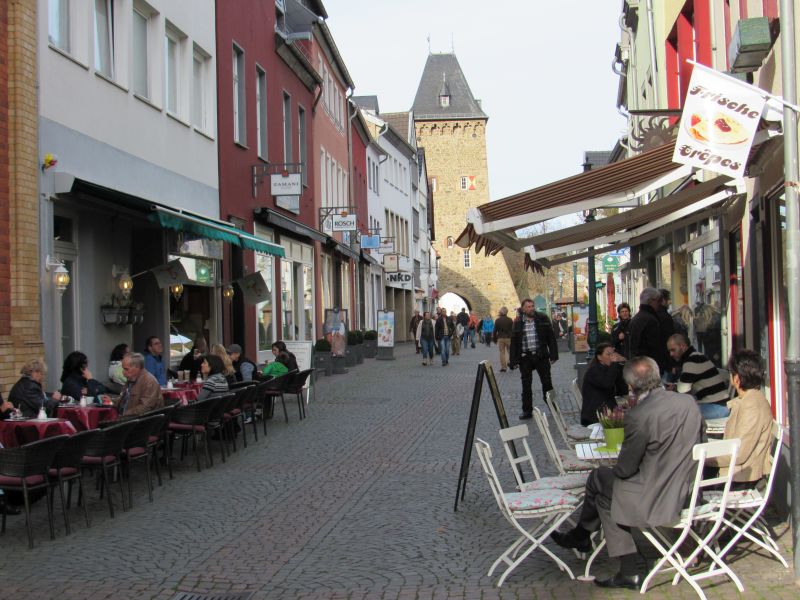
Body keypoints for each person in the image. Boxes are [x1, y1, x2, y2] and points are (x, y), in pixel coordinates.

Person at [550, 357, 705, 589]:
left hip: (656, 496)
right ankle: (601, 550)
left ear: (631, 386)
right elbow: (702, 441)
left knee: (599, 481)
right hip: (689, 490)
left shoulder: (640, 415)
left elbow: (625, 469)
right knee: (603, 493)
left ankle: (595, 543)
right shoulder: (688, 403)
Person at [707, 349, 773, 485]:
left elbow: (738, 453)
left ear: (736, 379)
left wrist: (703, 458)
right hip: (737, 472)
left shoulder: (751, 406)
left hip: (740, 477)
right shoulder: (750, 399)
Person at [509, 298, 558, 420]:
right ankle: (527, 410)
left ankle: (553, 407)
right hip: (525, 357)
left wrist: (553, 355)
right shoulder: (518, 322)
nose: (531, 308)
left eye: (532, 306)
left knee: (547, 383)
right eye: (528, 307)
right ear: (523, 309)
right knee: (526, 385)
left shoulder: (542, 318)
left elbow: (551, 337)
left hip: (541, 356)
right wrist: (513, 360)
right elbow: (514, 342)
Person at [666, 333, 730, 419]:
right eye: (670, 351)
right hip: (720, 405)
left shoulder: (691, 360)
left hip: (715, 407)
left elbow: (682, 391)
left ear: (682, 346)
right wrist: (676, 387)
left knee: (674, 415)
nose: (671, 354)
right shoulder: (697, 356)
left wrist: (673, 389)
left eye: (673, 350)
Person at [580, 342, 628, 426]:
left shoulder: (610, 369)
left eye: (613, 354)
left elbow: (623, 390)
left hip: (609, 412)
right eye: (608, 354)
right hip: (595, 416)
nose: (612, 357)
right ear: (599, 357)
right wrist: (614, 365)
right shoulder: (594, 371)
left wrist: (620, 366)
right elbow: (607, 384)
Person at [628, 287, 668, 374]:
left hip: (637, 364)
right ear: (651, 301)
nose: (660, 304)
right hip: (649, 366)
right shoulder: (651, 320)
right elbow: (655, 346)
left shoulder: (636, 319)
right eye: (658, 301)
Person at [658, 289, 677, 379]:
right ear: (663, 301)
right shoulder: (665, 317)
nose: (670, 302)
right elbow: (669, 340)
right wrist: (671, 364)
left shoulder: (652, 315)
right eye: (668, 299)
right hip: (665, 361)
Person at [493, 307, 514, 372]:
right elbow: (512, 330)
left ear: (501, 312)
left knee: (502, 353)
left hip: (500, 338)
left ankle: (503, 367)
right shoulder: (510, 320)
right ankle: (510, 362)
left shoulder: (497, 320)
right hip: (508, 338)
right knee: (510, 351)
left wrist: (494, 339)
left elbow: (495, 331)